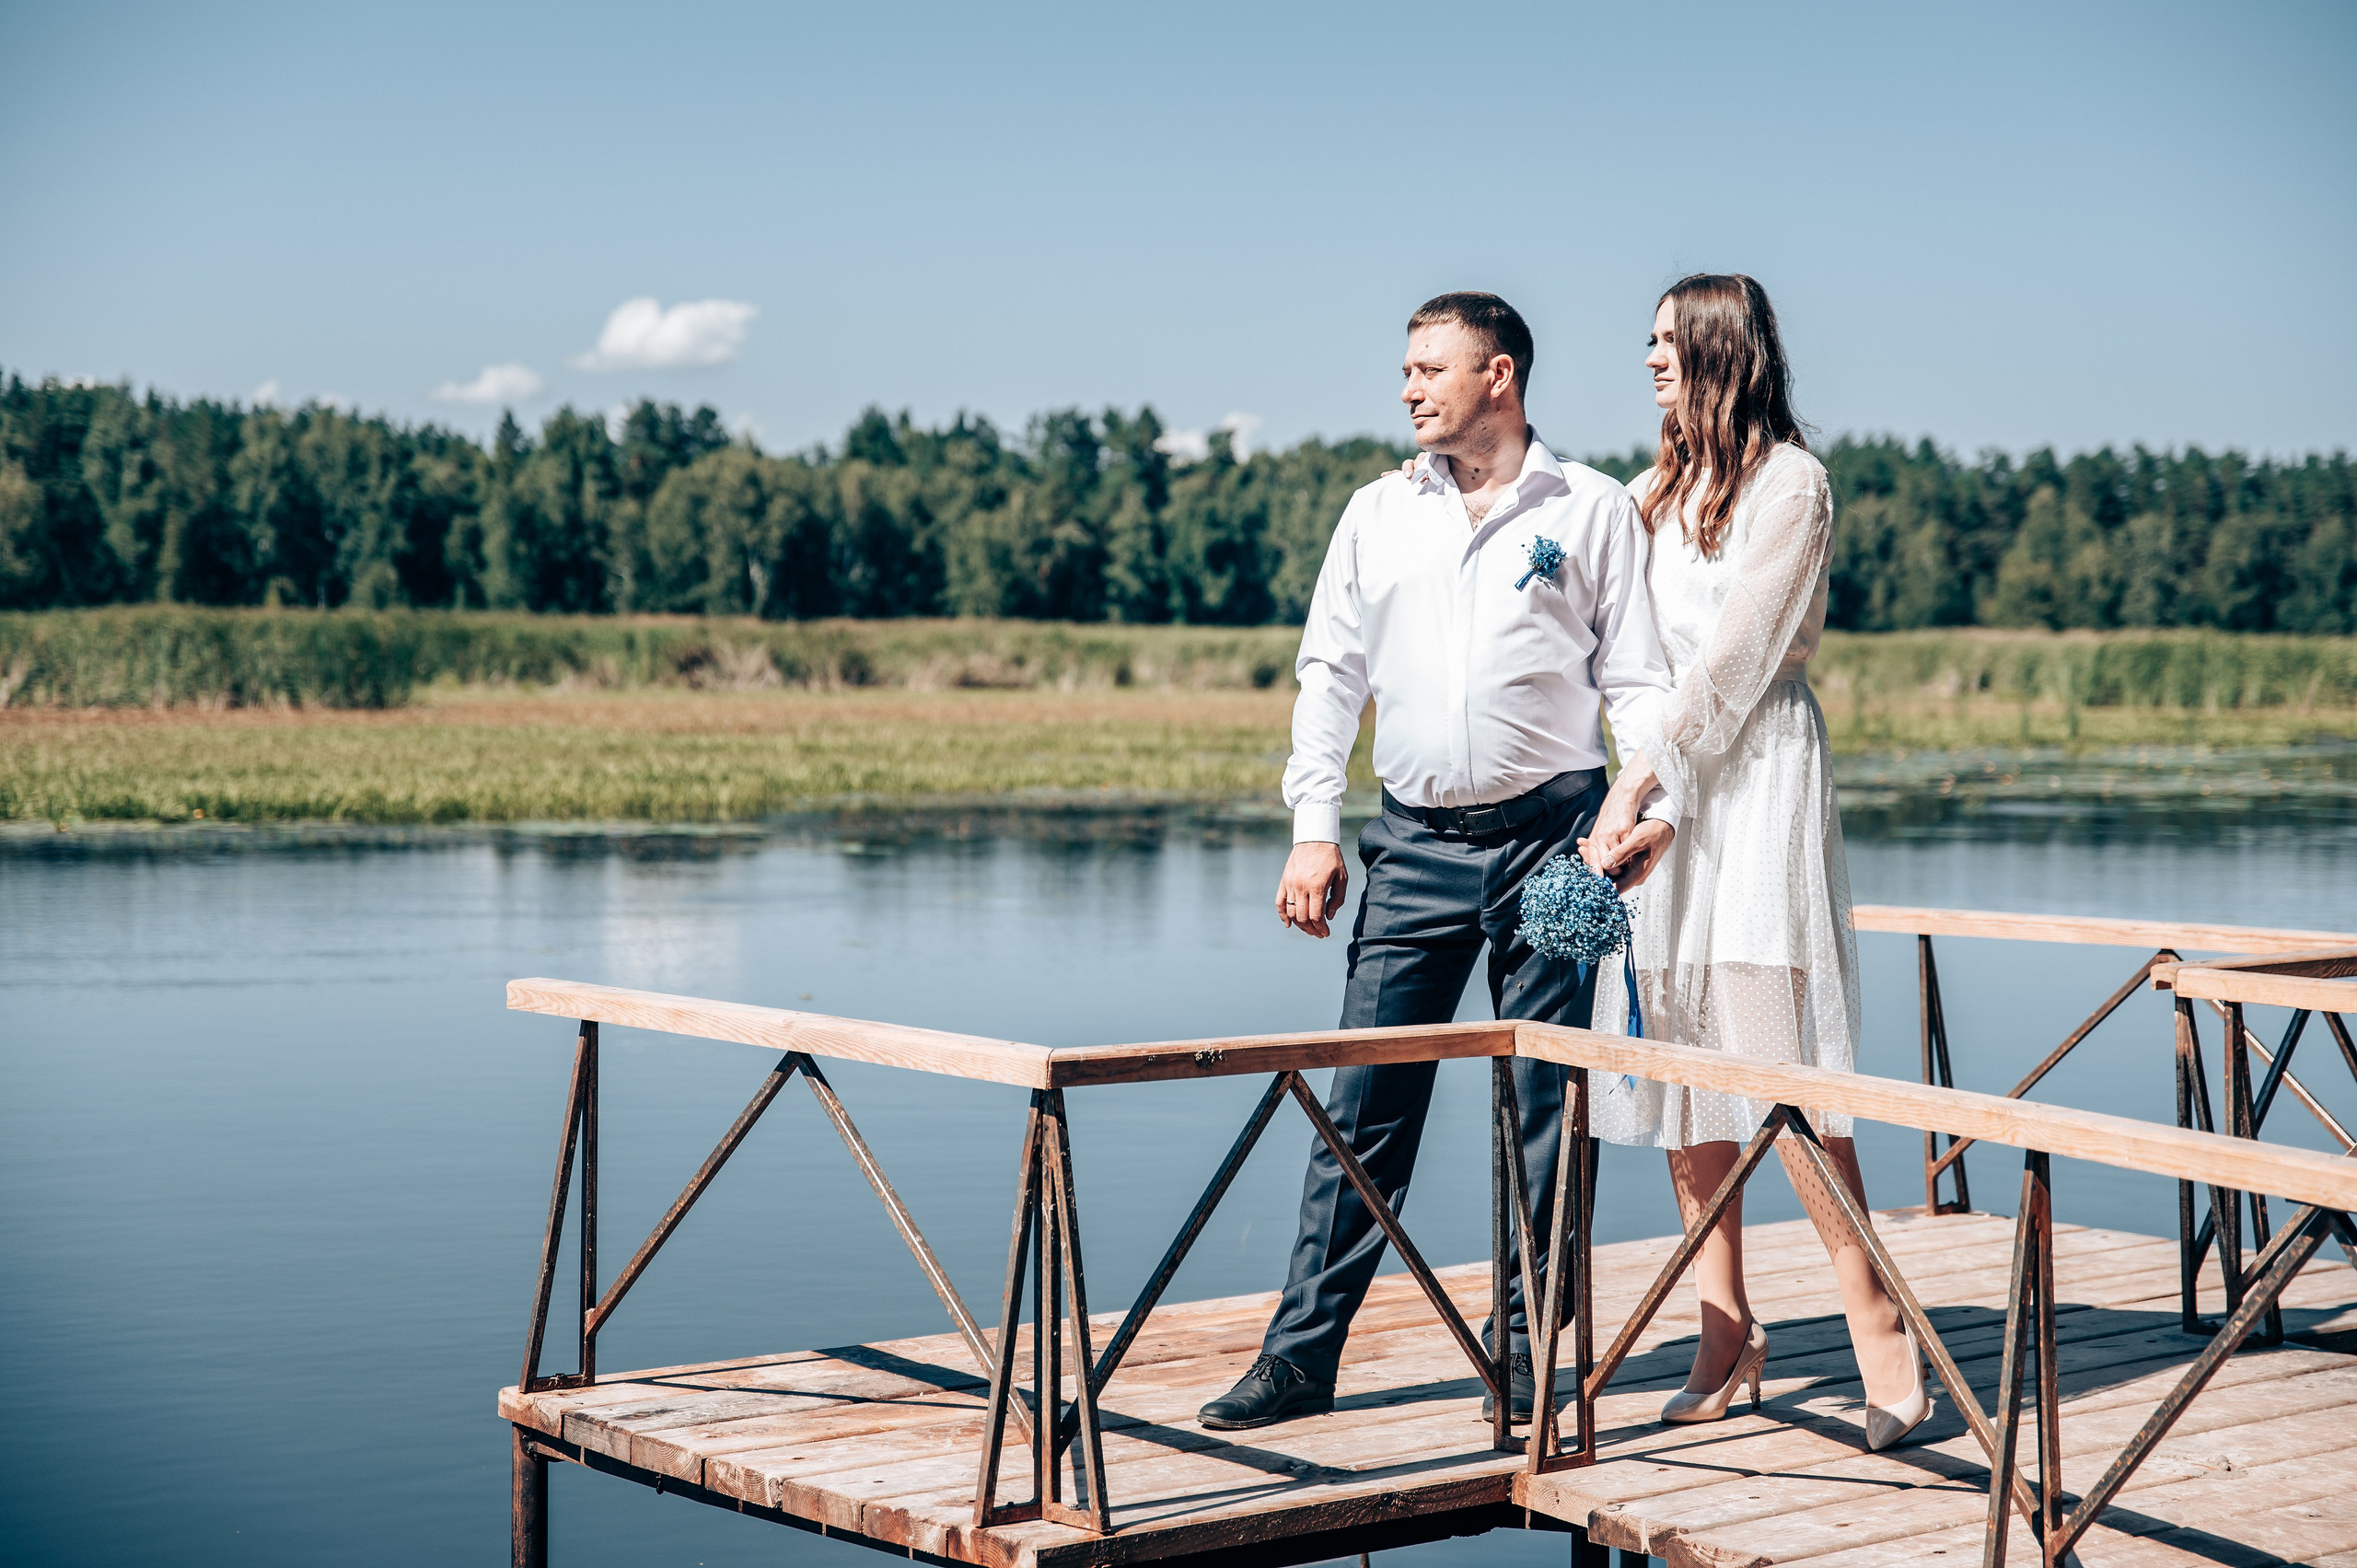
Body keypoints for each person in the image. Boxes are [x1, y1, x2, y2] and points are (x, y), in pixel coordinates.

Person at [1197, 292, 1679, 1432]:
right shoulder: (1374, 512)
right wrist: (1313, 827)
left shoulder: (1596, 507)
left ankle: (1525, 1368)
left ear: (1498, 376)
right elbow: (1330, 676)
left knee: (1545, 1105)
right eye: (1406, 368)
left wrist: (1645, 807)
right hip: (1410, 849)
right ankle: (1299, 1359)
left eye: (1430, 368)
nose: (1408, 386)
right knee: (1362, 1106)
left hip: (1561, 850)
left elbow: (1642, 683)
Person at [1582, 273, 1931, 1450]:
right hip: (1667, 780)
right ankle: (1722, 1323)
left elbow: (1733, 658)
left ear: (1723, 349)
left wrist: (1641, 781)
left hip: (1755, 769)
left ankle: (1873, 1310)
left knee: (1775, 1060)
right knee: (1677, 1055)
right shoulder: (1651, 489)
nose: (1648, 361)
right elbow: (1608, 626)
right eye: (1645, 344)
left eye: (1666, 343)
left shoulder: (1794, 485)